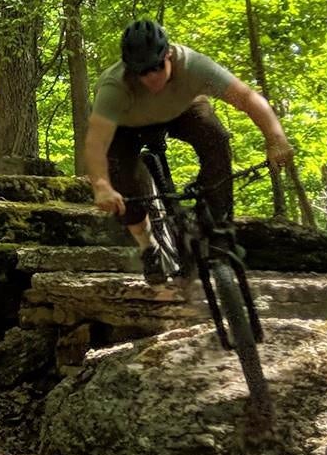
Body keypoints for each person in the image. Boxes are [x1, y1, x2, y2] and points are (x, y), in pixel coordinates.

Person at [81, 19, 294, 283]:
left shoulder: (193, 65)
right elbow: (95, 142)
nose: (151, 78)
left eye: (157, 67)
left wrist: (276, 139)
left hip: (182, 110)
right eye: (142, 71)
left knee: (215, 137)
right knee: (123, 182)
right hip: (126, 127)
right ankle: (149, 247)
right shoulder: (114, 86)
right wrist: (102, 185)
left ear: (169, 54)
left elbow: (248, 98)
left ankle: (218, 228)